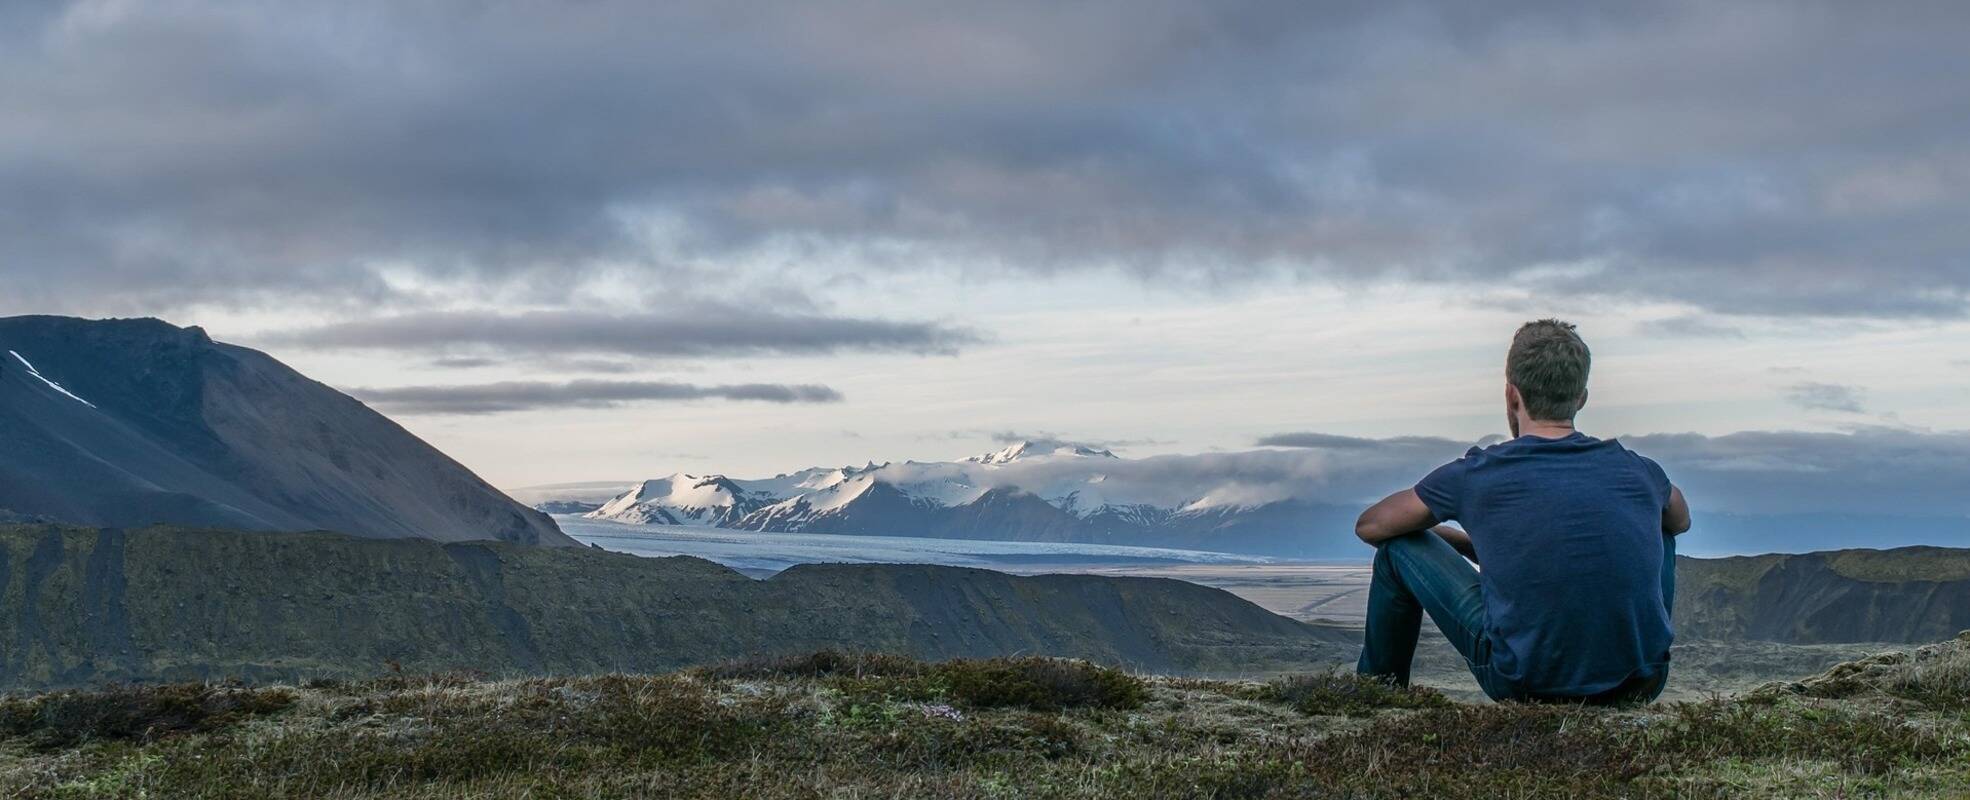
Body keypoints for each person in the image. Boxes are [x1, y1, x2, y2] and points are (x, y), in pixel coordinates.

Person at [1353, 319, 1691, 704]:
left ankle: (1375, 697)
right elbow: (1680, 520)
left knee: (1396, 550)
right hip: (1642, 682)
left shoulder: (1477, 474)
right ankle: (1634, 657)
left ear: (1512, 395)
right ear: (1581, 397)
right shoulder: (1641, 471)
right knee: (1662, 527)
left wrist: (1434, 534)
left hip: (1524, 682)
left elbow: (1371, 525)